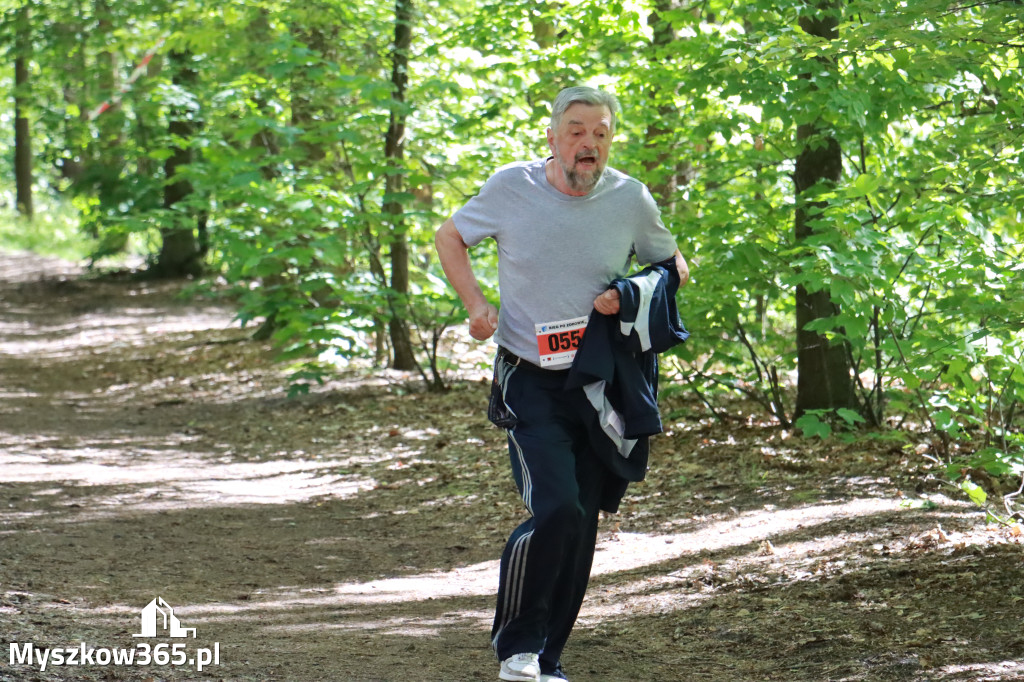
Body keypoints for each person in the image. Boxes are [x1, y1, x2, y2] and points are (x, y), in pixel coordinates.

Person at [434, 86, 689, 682]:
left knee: (581, 520)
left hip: (599, 386)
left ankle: (545, 658)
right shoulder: (510, 188)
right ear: (551, 137)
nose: (588, 143)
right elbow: (450, 237)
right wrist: (475, 304)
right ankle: (517, 648)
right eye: (576, 131)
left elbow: (673, 266)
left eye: (600, 133)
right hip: (529, 382)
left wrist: (626, 295)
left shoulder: (630, 198)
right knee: (555, 507)